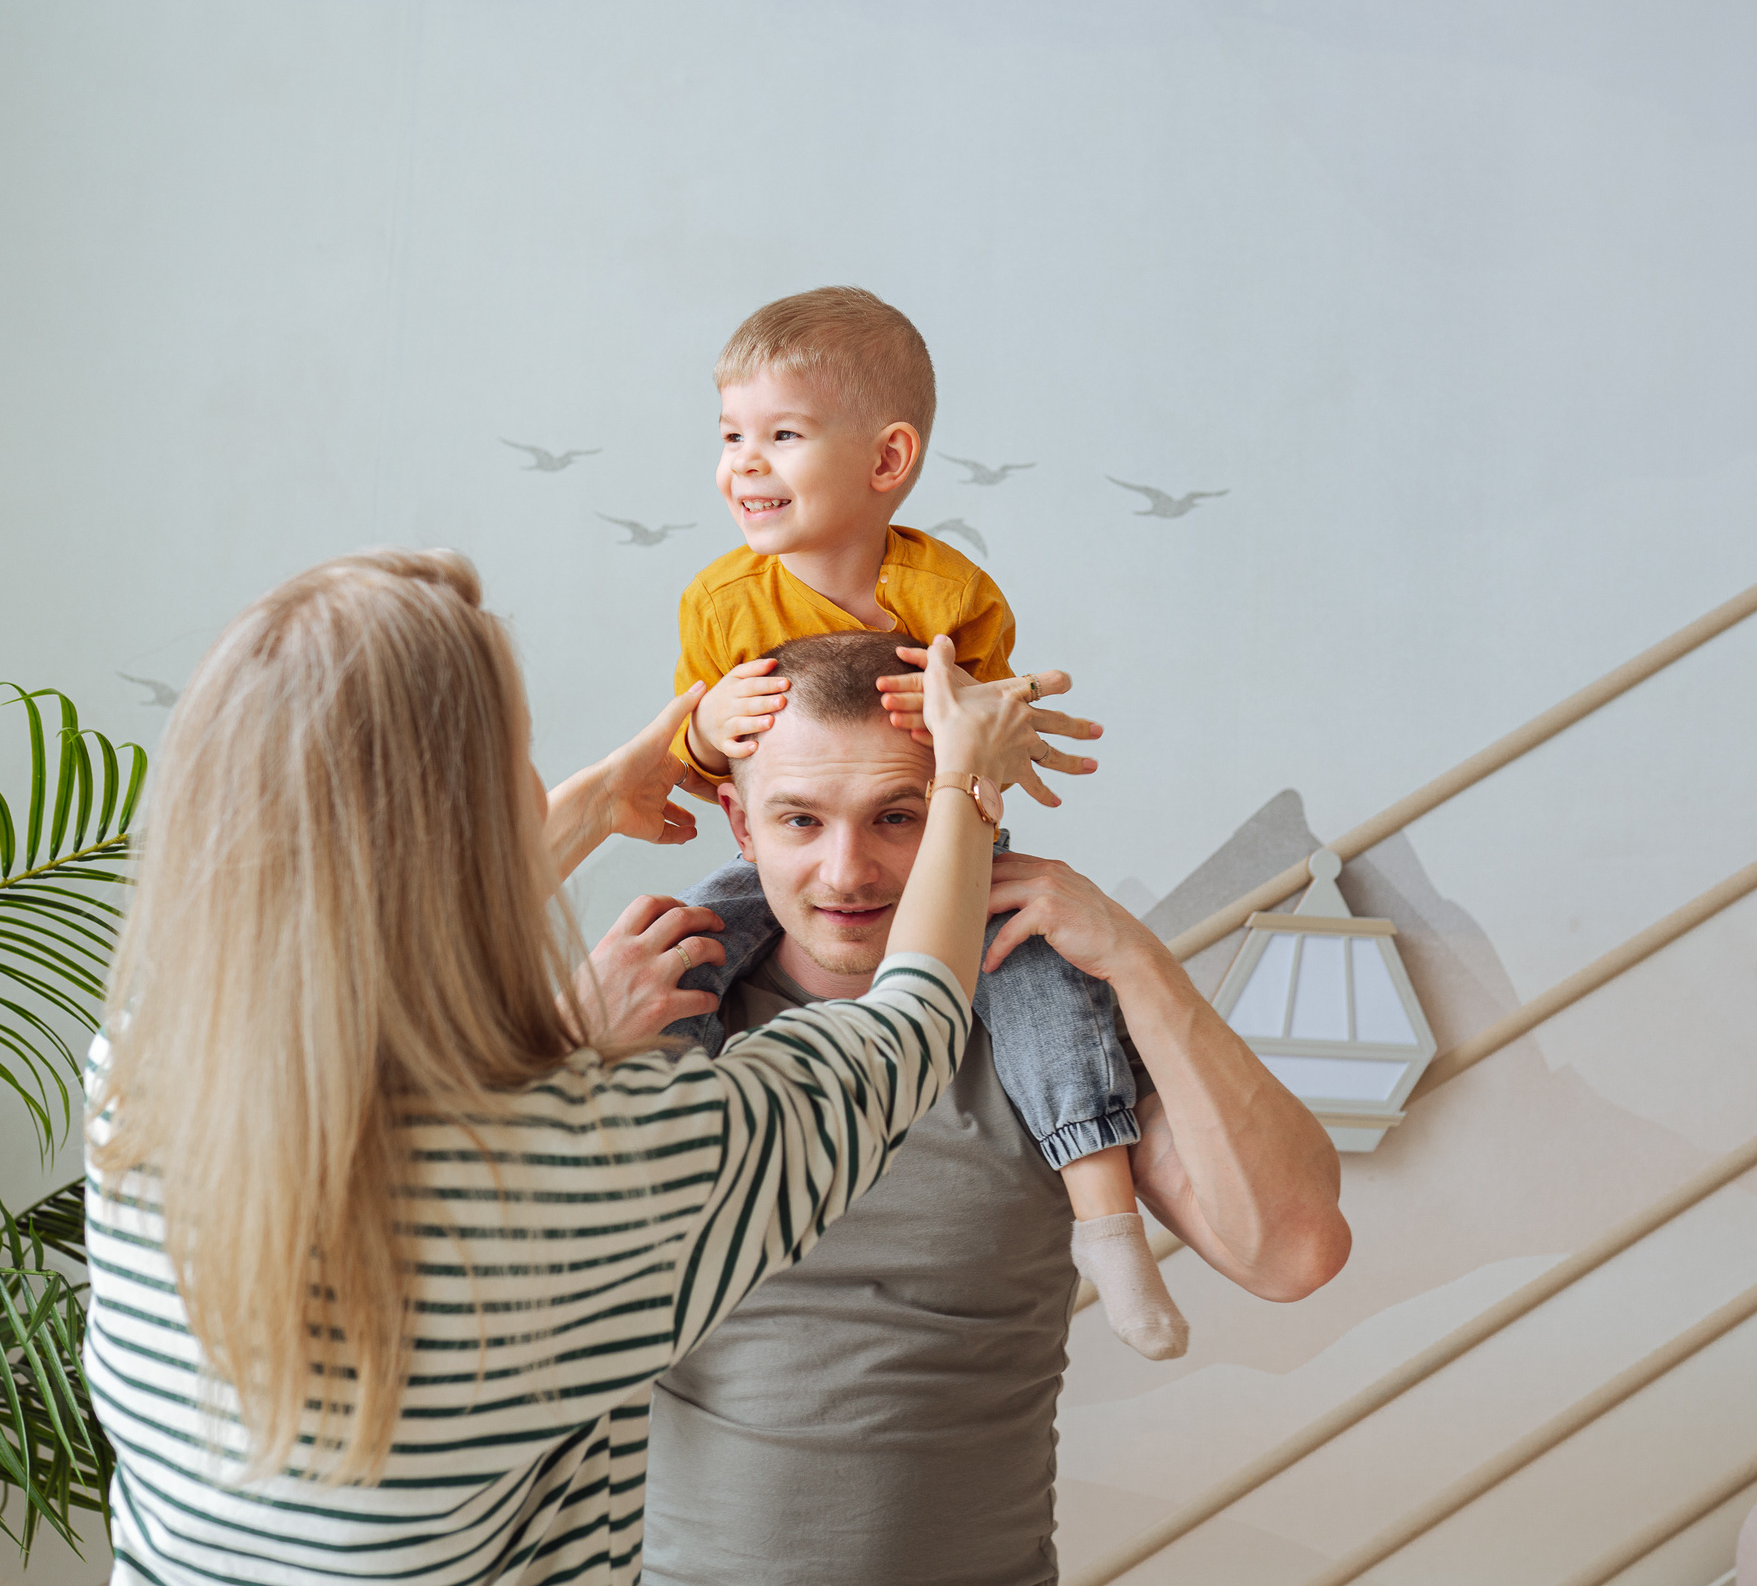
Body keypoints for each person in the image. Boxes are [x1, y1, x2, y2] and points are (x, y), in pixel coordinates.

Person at [81, 548, 1070, 1586]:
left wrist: (601, 798)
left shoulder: (146, 1065)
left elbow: (357, 942)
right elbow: (904, 1029)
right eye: (523, 751)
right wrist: (964, 780)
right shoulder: (585, 1163)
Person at [643, 631, 1352, 1586]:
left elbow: (1292, 1253)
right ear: (739, 825)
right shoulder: (665, 1015)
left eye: (897, 818)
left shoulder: (1053, 1034)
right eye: (800, 821)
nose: (847, 872)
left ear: (971, 806)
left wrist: (1137, 961)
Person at [660, 284, 1191, 1358]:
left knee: (1041, 979)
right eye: (729, 437)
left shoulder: (950, 598)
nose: (743, 464)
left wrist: (981, 727)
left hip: (947, 837)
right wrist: (707, 723)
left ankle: (1107, 1217)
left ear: (887, 459)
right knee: (681, 949)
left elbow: (987, 741)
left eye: (780, 436)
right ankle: (663, 1159)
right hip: (774, 846)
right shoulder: (721, 604)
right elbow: (692, 748)